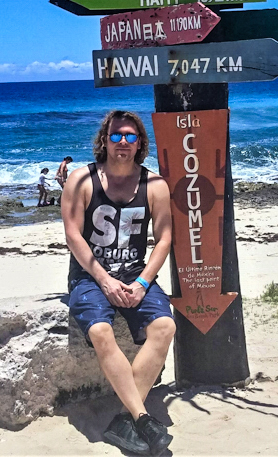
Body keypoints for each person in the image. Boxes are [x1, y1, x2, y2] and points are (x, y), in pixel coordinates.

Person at [62, 110, 175, 456]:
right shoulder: (81, 181)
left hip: (134, 273)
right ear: (104, 140)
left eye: (130, 136)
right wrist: (104, 279)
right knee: (99, 331)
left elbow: (165, 238)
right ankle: (141, 417)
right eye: (115, 136)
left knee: (165, 326)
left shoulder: (154, 185)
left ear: (140, 142)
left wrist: (142, 282)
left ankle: (125, 421)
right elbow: (73, 236)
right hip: (90, 275)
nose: (122, 142)